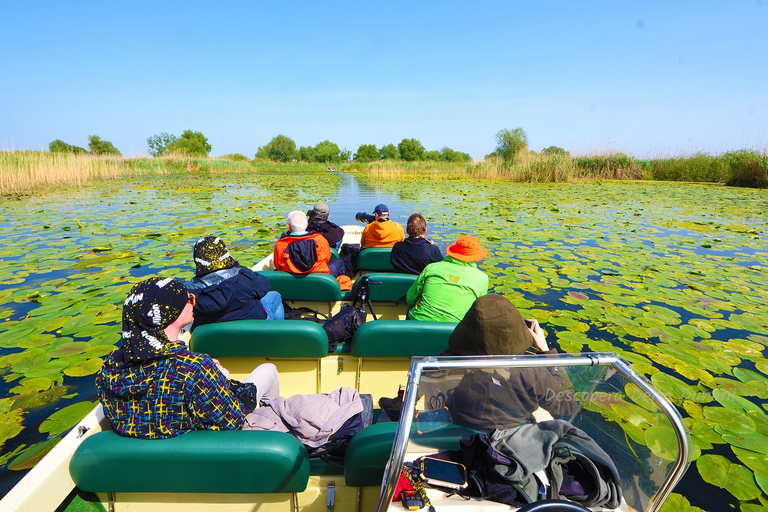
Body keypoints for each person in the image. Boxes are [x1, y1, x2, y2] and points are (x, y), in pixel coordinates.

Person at [96, 276, 280, 439]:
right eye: (189, 299)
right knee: (268, 370)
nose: (194, 302)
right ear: (173, 314)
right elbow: (231, 419)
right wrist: (220, 380)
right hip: (215, 452)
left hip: (156, 462)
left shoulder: (110, 368)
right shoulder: (193, 369)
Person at [444, 293, 578, 432]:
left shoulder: (447, 365)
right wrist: (548, 355)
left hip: (463, 437)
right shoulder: (532, 373)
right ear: (518, 331)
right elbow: (568, 406)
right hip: (512, 440)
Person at [186, 236, 284, 330]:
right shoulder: (243, 279)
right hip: (254, 327)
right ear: (225, 255)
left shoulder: (189, 291)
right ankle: (279, 336)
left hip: (213, 337)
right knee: (275, 295)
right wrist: (236, 265)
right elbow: (264, 285)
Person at [405, 235, 489, 323]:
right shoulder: (482, 278)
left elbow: (410, 299)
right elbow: (479, 312)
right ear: (475, 255)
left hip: (419, 325)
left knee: (411, 305)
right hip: (456, 331)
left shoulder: (432, 268)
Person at [273, 211, 349, 287]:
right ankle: (341, 286)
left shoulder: (280, 244)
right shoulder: (319, 240)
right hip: (319, 280)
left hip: (291, 282)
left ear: (289, 227)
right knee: (339, 262)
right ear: (306, 225)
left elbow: (278, 265)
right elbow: (327, 258)